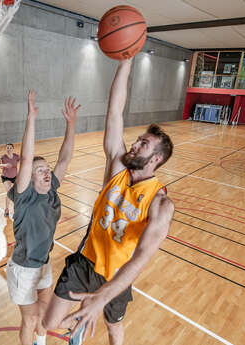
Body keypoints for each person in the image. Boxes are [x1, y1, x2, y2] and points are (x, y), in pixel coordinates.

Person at [42, 58, 175, 345]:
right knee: (49, 322)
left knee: (114, 330)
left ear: (155, 160)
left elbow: (141, 258)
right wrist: (126, 60)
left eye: (144, 144)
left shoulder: (160, 203)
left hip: (116, 277)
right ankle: (76, 332)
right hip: (85, 261)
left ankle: (86, 321)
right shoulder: (117, 166)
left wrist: (102, 297)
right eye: (138, 139)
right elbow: (115, 110)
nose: (135, 144)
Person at [6, 90, 81, 345]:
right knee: (32, 318)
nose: (47, 172)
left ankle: (41, 342)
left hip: (44, 264)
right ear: (29, 178)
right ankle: (59, 329)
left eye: (47, 169)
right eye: (40, 171)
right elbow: (26, 159)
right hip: (24, 268)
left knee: (43, 320)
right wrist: (31, 118)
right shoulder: (25, 197)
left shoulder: (52, 191)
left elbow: (65, 157)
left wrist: (71, 124)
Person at [0, 143, 20, 217]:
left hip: (15, 177)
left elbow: (22, 161)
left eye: (10, 148)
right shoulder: (3, 157)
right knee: (9, 192)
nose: (9, 149)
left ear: (13, 149)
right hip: (6, 177)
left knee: (17, 193)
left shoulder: (16, 156)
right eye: (7, 148)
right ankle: (6, 209)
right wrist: (4, 165)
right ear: (6, 149)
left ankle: (16, 209)